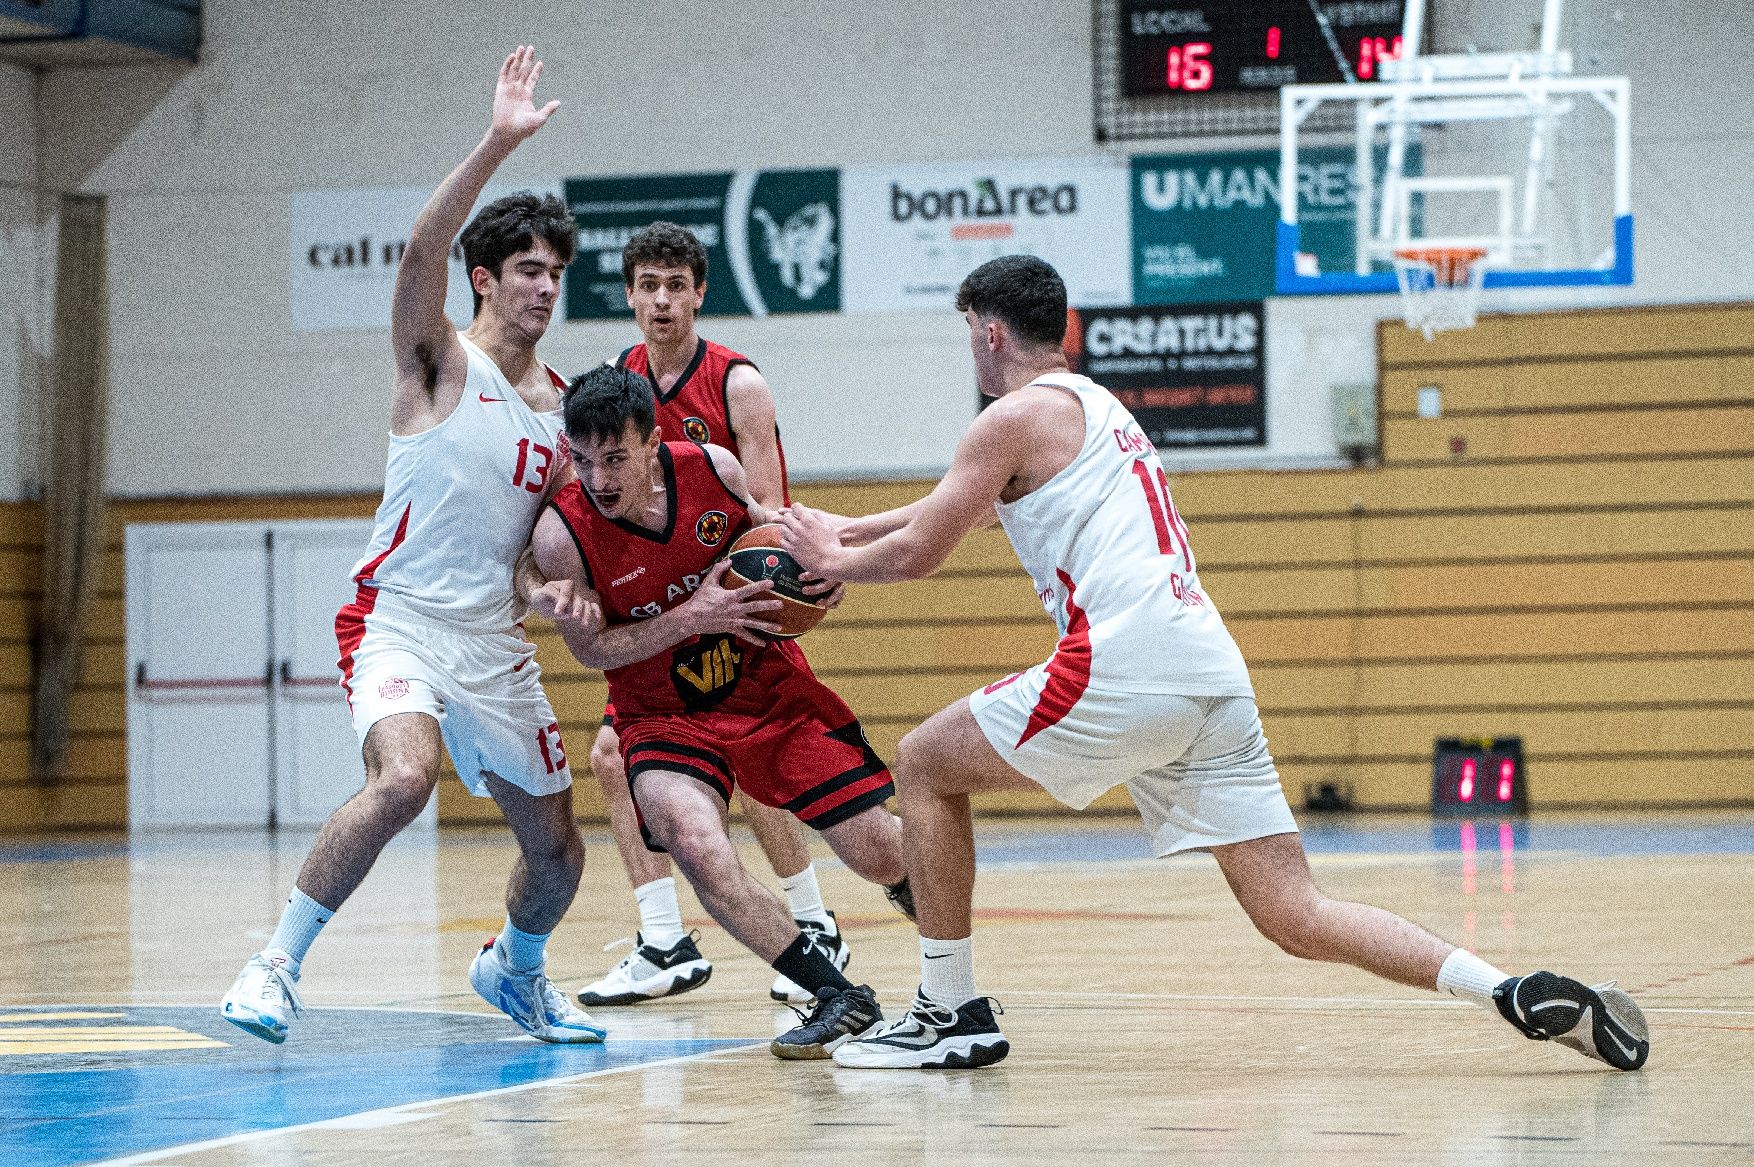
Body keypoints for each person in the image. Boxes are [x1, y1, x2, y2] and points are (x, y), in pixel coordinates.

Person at [777, 254, 1652, 1072]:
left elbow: (927, 546)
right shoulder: (1094, 409)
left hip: (1124, 662)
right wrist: (844, 529)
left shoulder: (1008, 417)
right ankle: (1501, 986)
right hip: (1209, 671)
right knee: (1294, 912)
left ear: (989, 332)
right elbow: (959, 508)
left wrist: (832, 564)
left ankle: (946, 1012)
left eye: (968, 328)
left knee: (926, 763)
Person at [220, 47, 604, 1045]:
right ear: (486, 278)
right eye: (528, 269)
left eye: (556, 273)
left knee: (558, 857)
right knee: (401, 779)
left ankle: (514, 972)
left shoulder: (564, 414)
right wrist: (497, 142)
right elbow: (417, 249)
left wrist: (549, 594)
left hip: (493, 643)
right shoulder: (438, 360)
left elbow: (531, 556)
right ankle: (272, 967)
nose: (544, 287)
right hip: (397, 621)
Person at [527, 365, 907, 1059]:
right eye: (583, 460)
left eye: (615, 458)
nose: (601, 478)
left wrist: (824, 580)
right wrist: (690, 615)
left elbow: (779, 545)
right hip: (659, 713)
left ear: (652, 443)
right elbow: (592, 651)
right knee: (696, 843)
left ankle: (938, 953)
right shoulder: (563, 537)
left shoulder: (715, 469)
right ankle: (837, 994)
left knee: (882, 852)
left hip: (763, 686)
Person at [576, 221, 910, 1010]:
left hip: (740, 595)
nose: (661, 300)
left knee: (754, 762)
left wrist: (780, 578)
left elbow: (766, 513)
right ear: (627, 295)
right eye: (647, 286)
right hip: (669, 609)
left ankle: (808, 918)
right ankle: (670, 936)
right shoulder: (615, 385)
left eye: (675, 285)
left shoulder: (737, 383)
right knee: (611, 756)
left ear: (699, 292)